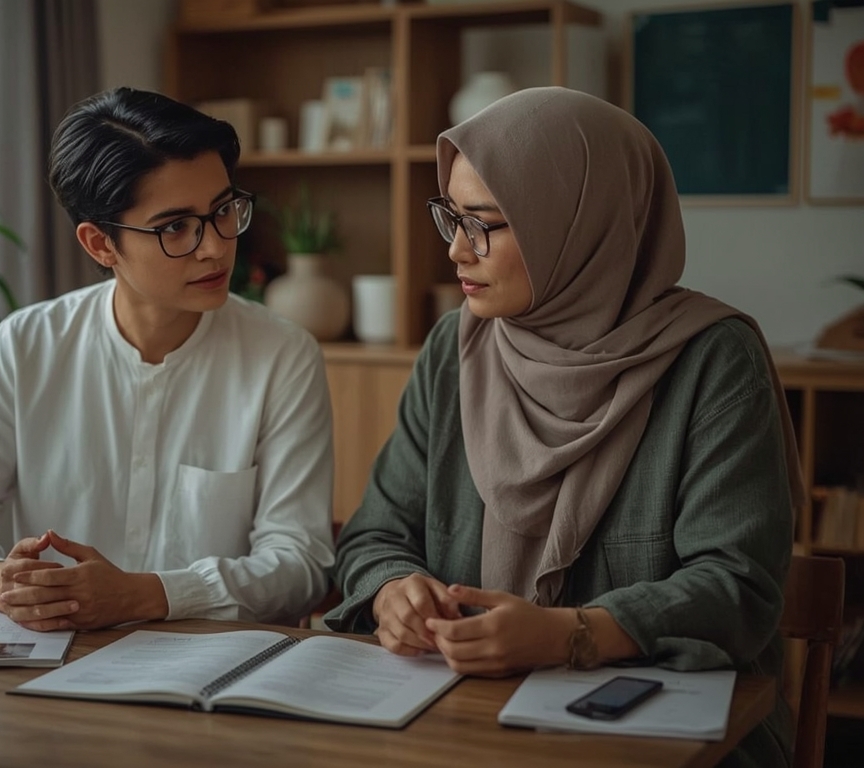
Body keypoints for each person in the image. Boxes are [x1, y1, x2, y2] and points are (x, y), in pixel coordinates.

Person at [324, 87, 803, 768]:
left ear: (580, 224)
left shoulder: (712, 359)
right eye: (451, 218)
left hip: (665, 737)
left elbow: (737, 584)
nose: (458, 251)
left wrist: (568, 635)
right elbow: (375, 533)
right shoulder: (454, 350)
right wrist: (392, 591)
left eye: (485, 223)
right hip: (459, 721)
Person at [0, 87, 335, 631]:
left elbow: (300, 564)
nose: (216, 246)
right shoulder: (26, 347)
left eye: (223, 210)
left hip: (213, 678)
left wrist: (144, 595)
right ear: (100, 245)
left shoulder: (282, 355)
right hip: (50, 666)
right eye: (176, 226)